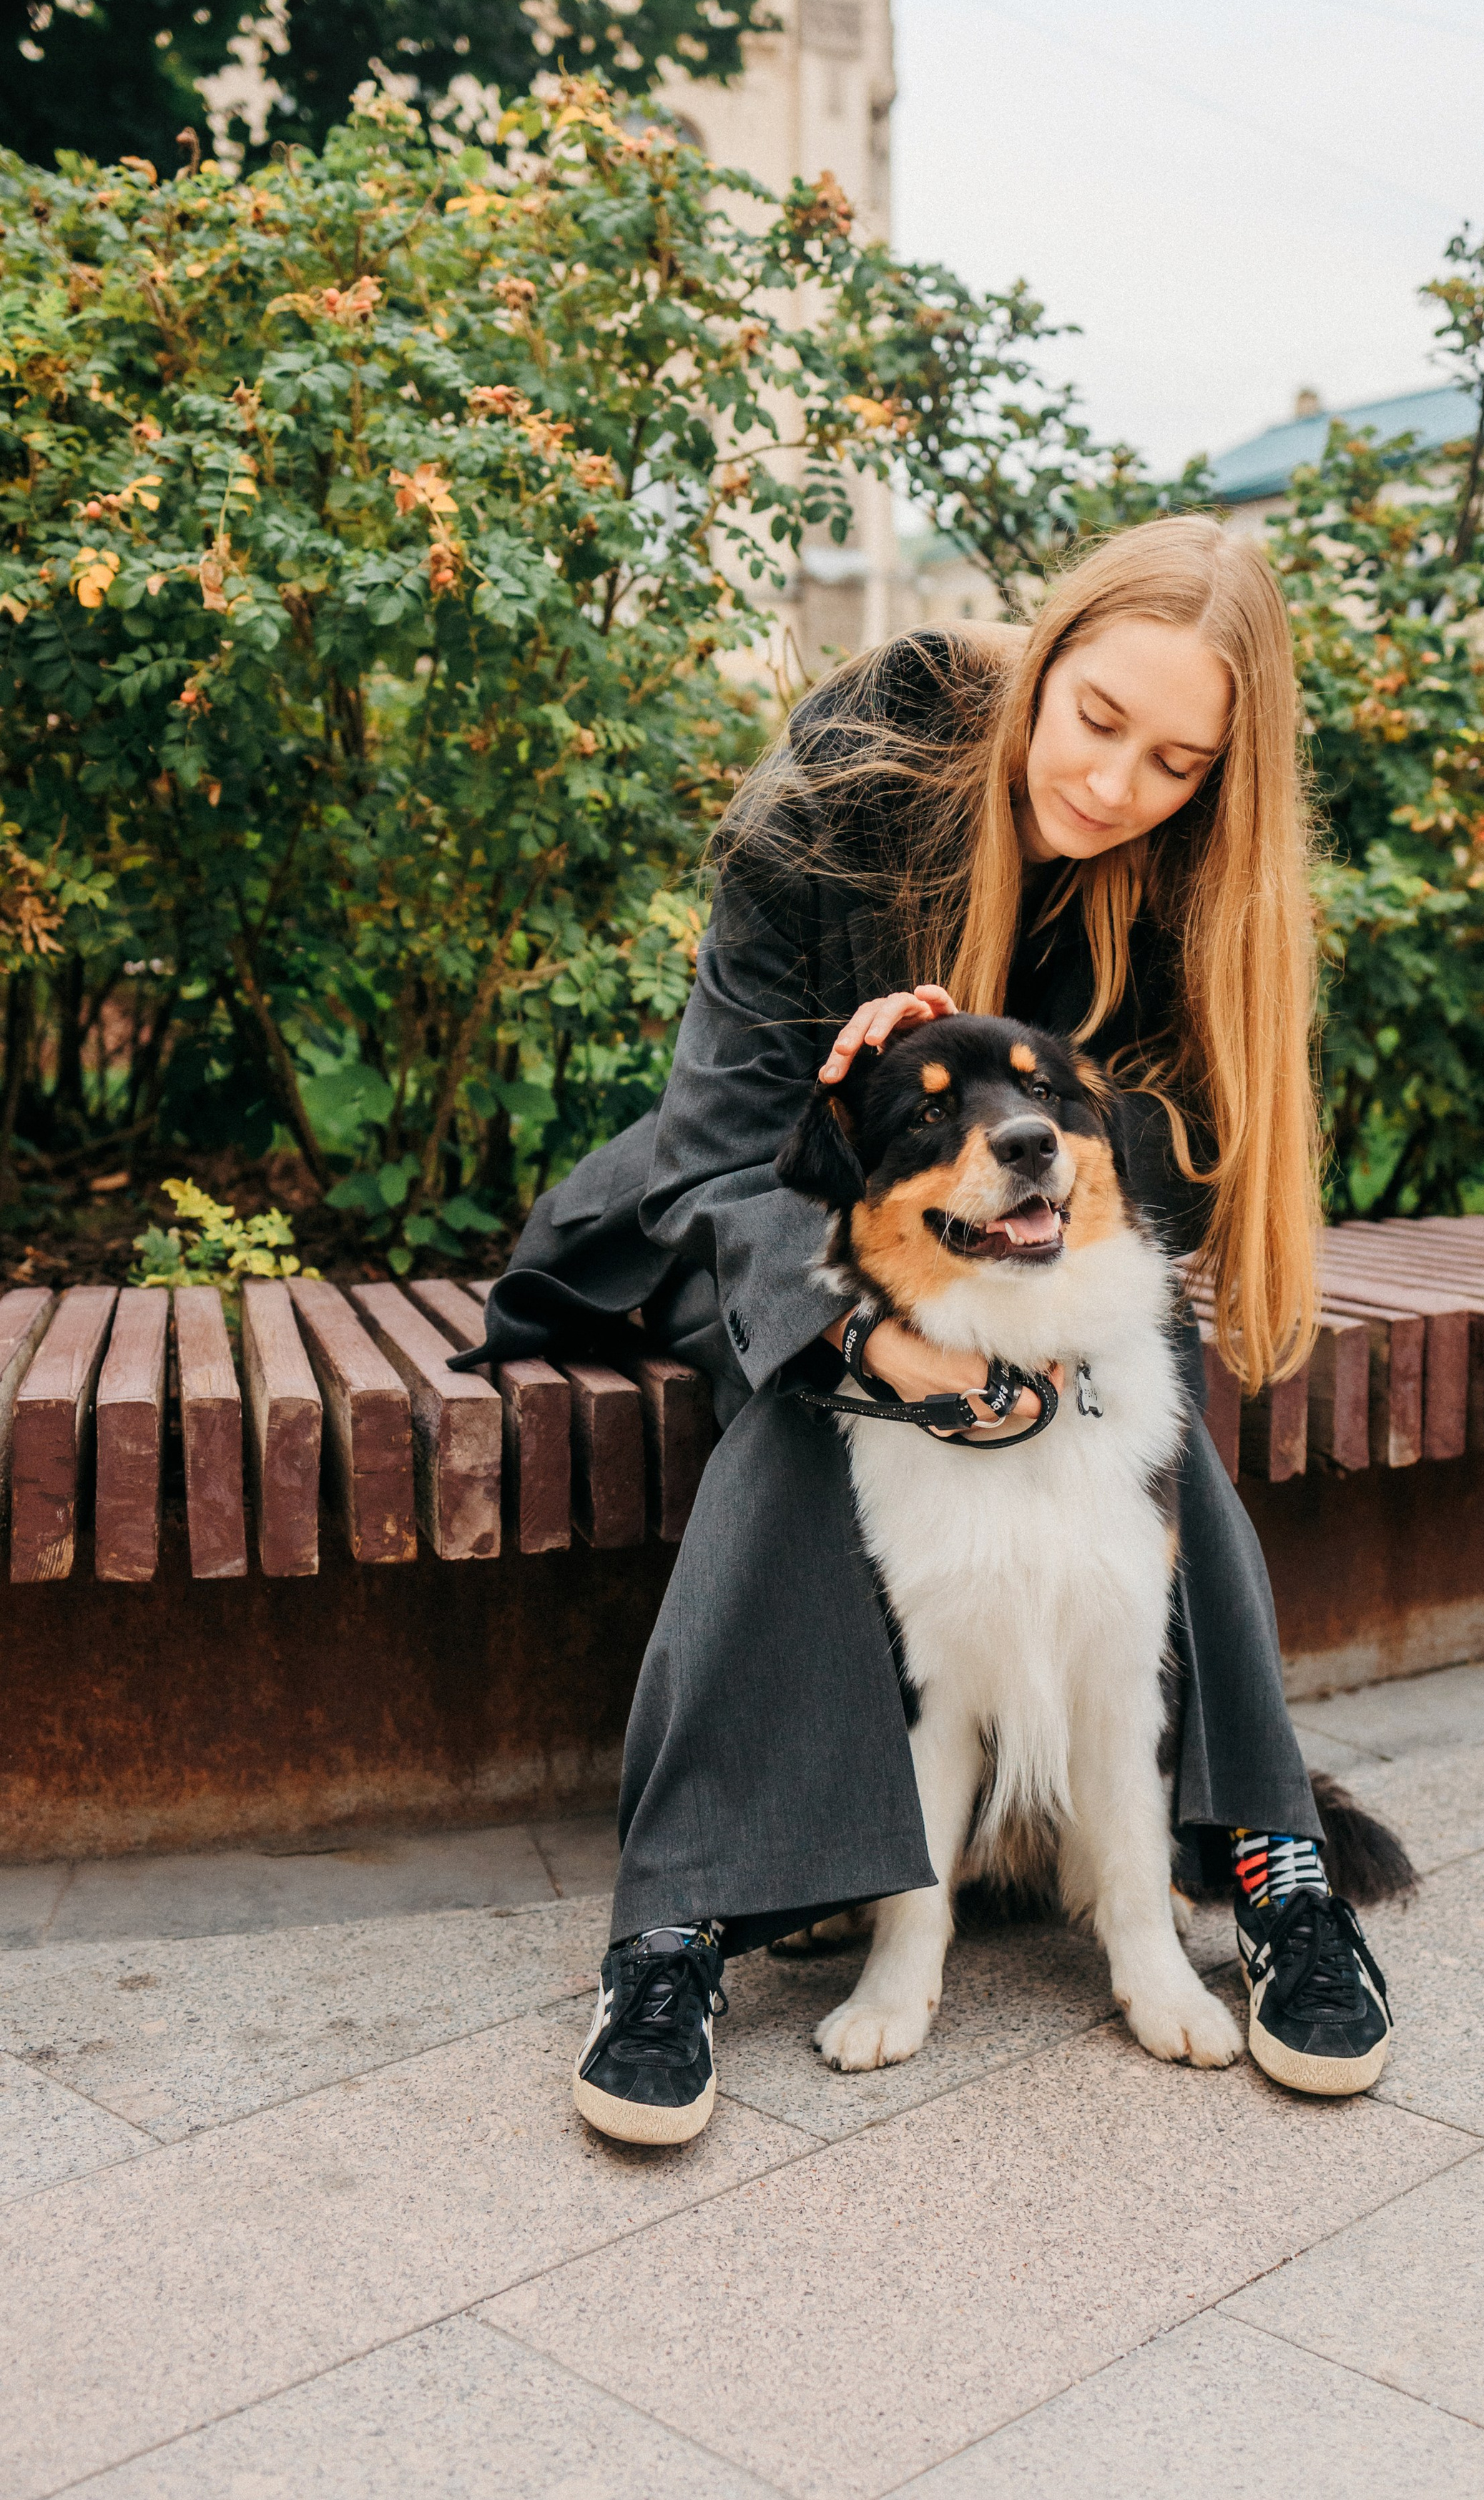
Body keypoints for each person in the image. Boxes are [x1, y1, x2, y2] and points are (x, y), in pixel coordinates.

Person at [464, 514, 1395, 2146]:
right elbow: (715, 1139)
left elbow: (1168, 1163)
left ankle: (1266, 1854)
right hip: (736, 1210)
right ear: (1042, 658)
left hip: (1006, 1260)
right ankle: (671, 1925)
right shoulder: (869, 760)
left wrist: (1036, 1101)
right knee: (812, 1387)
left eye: (1173, 763)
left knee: (1139, 1379)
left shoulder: (1187, 882)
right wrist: (880, 1319)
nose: (1114, 785)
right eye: (1097, 717)